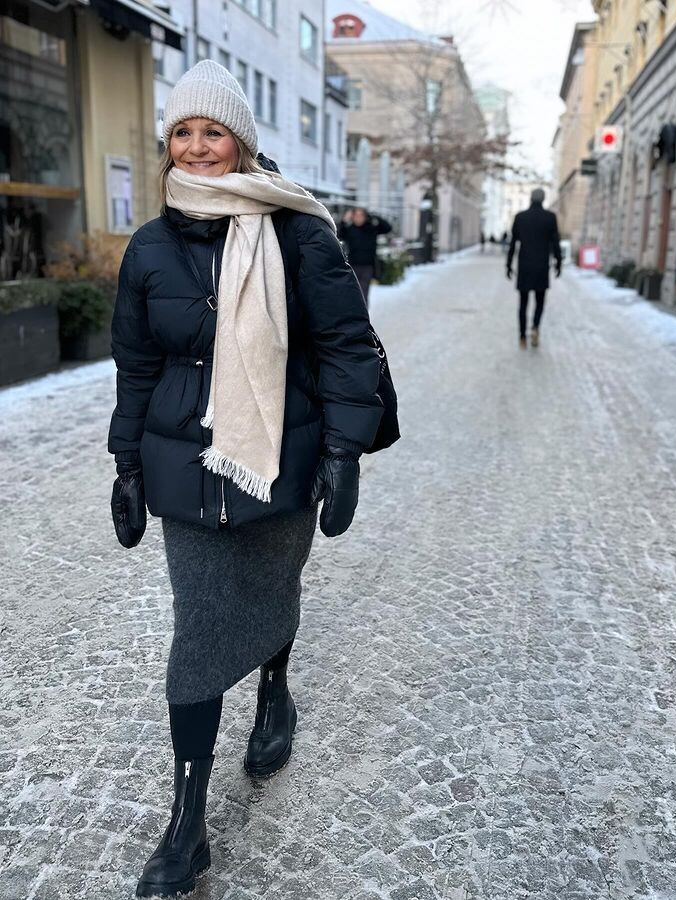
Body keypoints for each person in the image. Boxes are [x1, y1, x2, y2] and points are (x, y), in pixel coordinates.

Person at [107, 60, 397, 899]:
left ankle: (274, 689)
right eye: (182, 132)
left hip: (280, 458)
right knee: (197, 634)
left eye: (214, 131)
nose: (197, 147)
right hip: (187, 469)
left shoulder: (299, 232)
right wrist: (125, 463)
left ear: (241, 140)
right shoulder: (150, 245)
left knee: (272, 590)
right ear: (168, 143)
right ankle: (187, 824)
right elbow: (135, 366)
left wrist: (343, 453)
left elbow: (345, 347)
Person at [506, 188, 562, 348]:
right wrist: (558, 262)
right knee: (540, 301)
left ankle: (522, 337)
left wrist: (508, 264)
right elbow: (555, 243)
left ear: (531, 199)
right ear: (543, 199)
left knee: (523, 303)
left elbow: (513, 244)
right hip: (541, 266)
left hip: (524, 265)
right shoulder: (550, 218)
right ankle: (535, 327)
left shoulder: (520, 217)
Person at [337, 206, 392, 307]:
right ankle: (353, 312)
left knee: (363, 291)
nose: (358, 217)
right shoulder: (350, 229)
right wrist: (344, 220)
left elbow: (388, 228)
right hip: (353, 266)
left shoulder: (371, 228)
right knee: (352, 291)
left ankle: (363, 313)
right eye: (356, 215)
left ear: (365, 217)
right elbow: (338, 234)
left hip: (368, 266)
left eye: (361, 215)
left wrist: (375, 216)